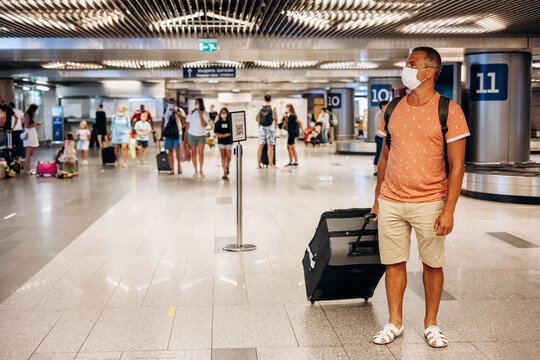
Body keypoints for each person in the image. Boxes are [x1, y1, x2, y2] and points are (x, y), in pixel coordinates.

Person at [371, 47, 470, 348]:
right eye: (406, 63)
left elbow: (457, 167)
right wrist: (377, 199)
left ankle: (431, 324)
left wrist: (449, 210)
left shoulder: (449, 111)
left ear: (429, 71)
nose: (406, 68)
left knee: (432, 264)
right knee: (393, 262)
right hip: (391, 199)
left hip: (430, 201)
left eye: (412, 64)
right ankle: (394, 322)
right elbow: (385, 158)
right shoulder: (392, 109)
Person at [184, 98, 209, 176]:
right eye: (195, 103)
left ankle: (201, 169)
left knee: (201, 152)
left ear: (201, 104)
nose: (196, 104)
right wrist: (185, 137)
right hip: (191, 135)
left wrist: (200, 114)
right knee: (193, 153)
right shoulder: (191, 113)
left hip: (201, 135)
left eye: (197, 103)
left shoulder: (205, 113)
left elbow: (204, 125)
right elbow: (187, 125)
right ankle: (195, 170)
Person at [161, 98, 183, 175]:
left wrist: (177, 113)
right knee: (170, 151)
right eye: (169, 103)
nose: (170, 104)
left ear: (175, 103)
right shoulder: (166, 110)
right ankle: (172, 169)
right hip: (168, 134)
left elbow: (185, 119)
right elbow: (163, 121)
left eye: (172, 103)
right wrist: (162, 133)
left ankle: (179, 166)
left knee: (177, 151)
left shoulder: (179, 110)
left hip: (177, 133)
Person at [256, 94, 278, 168]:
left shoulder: (261, 107)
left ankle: (258, 164)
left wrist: (260, 126)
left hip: (262, 128)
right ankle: (271, 163)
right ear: (271, 99)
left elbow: (258, 118)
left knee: (260, 146)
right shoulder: (273, 107)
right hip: (270, 128)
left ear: (264, 99)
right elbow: (276, 118)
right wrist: (275, 127)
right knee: (270, 146)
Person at [22, 104, 42, 174]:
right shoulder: (27, 115)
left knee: (31, 153)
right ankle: (28, 169)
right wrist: (36, 124)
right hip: (29, 135)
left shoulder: (30, 115)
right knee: (29, 153)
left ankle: (26, 168)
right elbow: (27, 126)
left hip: (32, 134)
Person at [214, 107, 233, 180]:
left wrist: (226, 135)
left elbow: (232, 132)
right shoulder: (218, 122)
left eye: (224, 112)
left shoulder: (230, 122)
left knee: (228, 156)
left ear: (227, 113)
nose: (223, 114)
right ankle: (224, 171)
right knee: (222, 156)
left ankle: (227, 166)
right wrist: (219, 135)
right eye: (222, 112)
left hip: (228, 141)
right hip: (221, 141)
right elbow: (215, 131)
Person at [373, 100, 389, 176]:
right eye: (383, 106)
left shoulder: (388, 114)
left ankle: (384, 171)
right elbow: (380, 126)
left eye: (386, 106)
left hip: (386, 137)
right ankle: (376, 170)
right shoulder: (378, 115)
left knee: (386, 154)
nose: (384, 108)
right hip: (379, 137)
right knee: (379, 153)